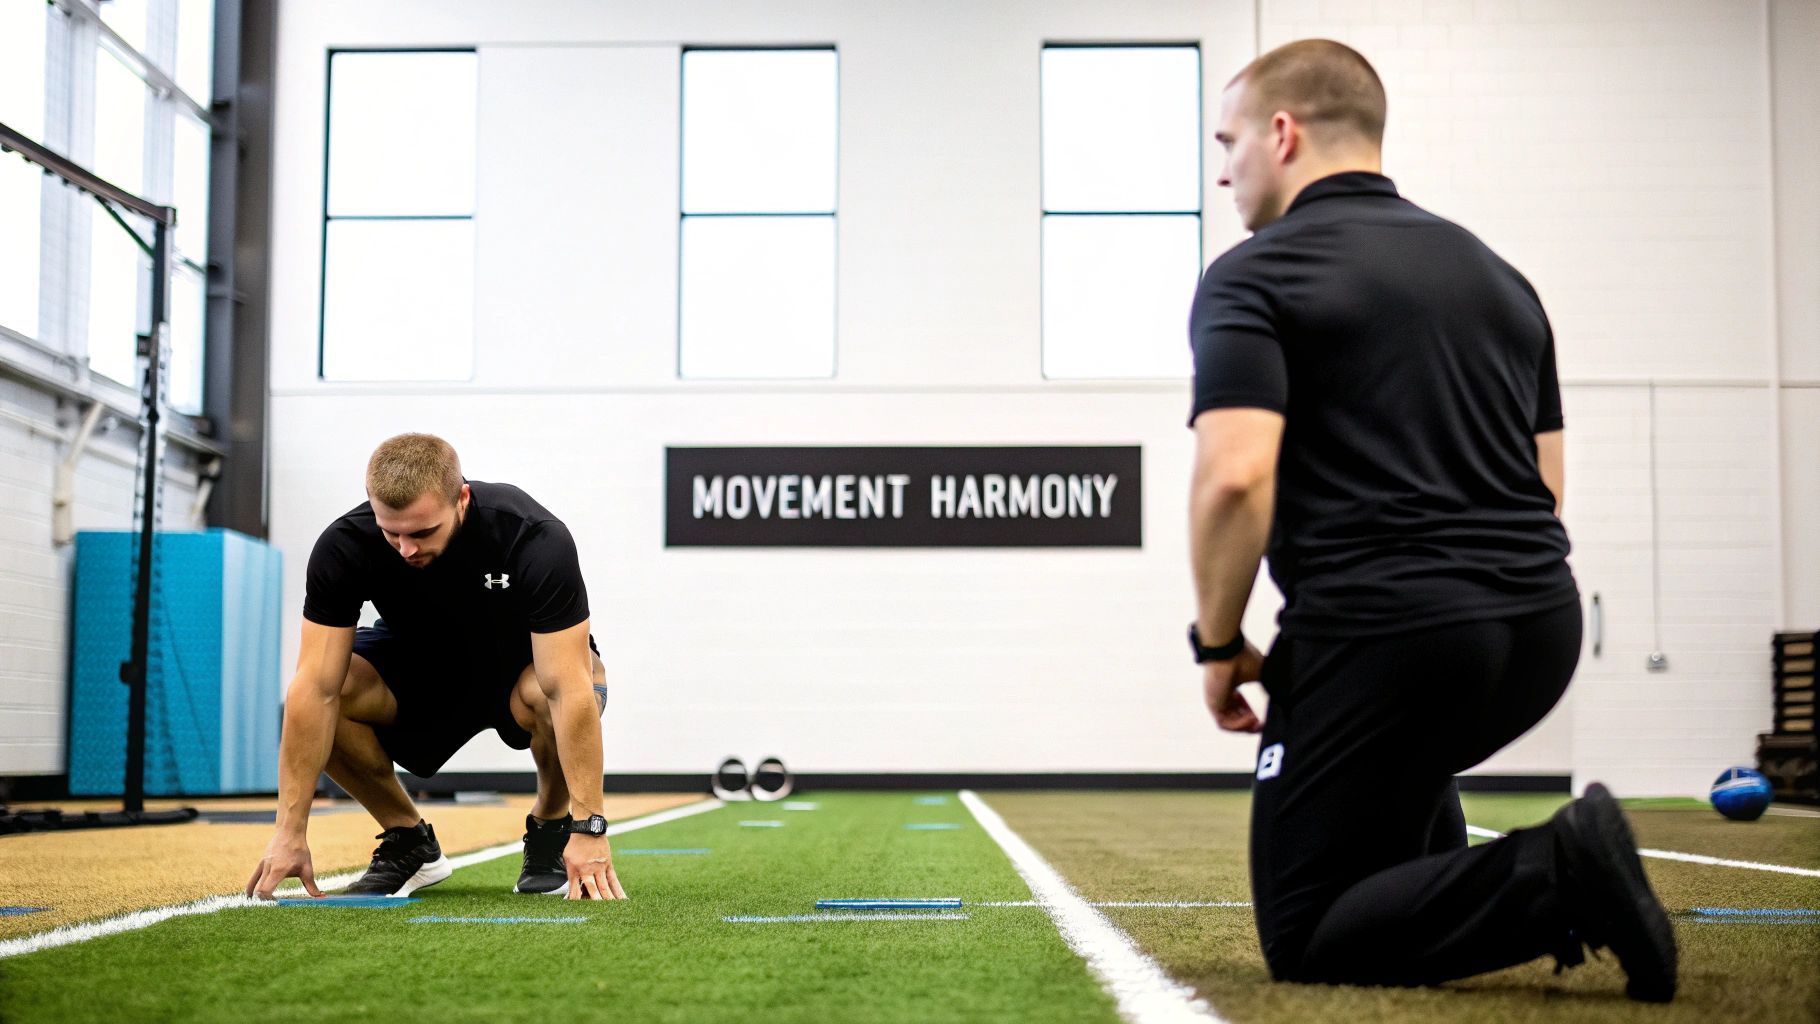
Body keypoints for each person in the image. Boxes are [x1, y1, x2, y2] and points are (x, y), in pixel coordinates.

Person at [1185, 40, 1675, 1000]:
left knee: (1310, 929)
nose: (1222, 168)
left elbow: (1237, 480)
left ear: (1282, 135)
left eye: (1229, 140)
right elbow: (1544, 486)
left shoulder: (1255, 273)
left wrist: (1216, 642)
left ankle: (1557, 872)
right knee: (1396, 759)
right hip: (1539, 629)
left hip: (1388, 629)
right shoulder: (1500, 278)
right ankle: (1490, 866)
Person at [245, 433, 626, 902]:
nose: (405, 549)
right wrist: (289, 830)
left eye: (422, 533)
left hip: (519, 668)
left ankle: (551, 826)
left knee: (577, 679)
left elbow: (567, 687)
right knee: (330, 687)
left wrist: (591, 827)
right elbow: (314, 688)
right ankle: (409, 841)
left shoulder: (532, 535)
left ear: (462, 499)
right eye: (392, 533)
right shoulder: (345, 545)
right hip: (420, 670)